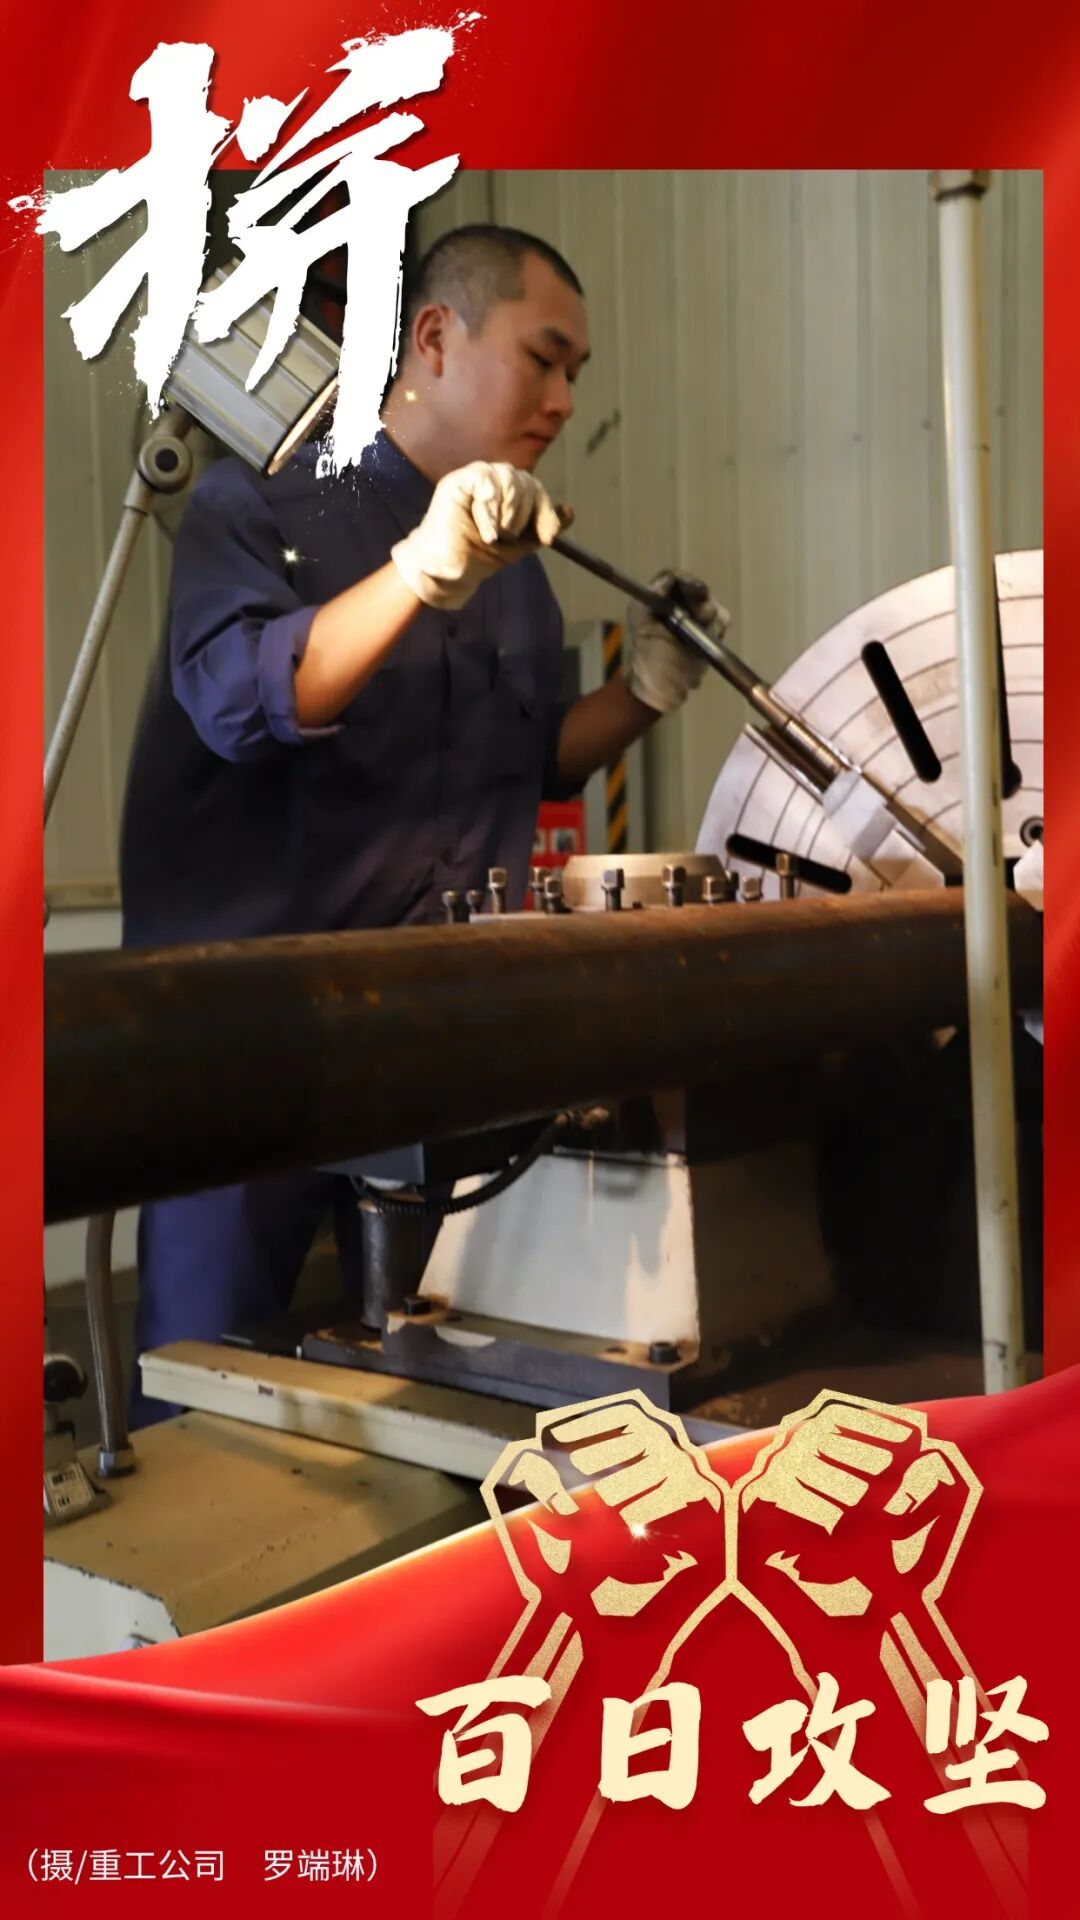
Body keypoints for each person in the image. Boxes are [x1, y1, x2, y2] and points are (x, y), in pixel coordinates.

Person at [119, 224, 727, 1425]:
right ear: (437, 337)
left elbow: (525, 763)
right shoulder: (262, 504)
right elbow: (244, 701)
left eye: (577, 376)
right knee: (200, 1405)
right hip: (240, 1057)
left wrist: (645, 692)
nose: (563, 401)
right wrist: (415, 572)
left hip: (421, 1059)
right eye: (543, 359)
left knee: (434, 1400)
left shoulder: (515, 568)